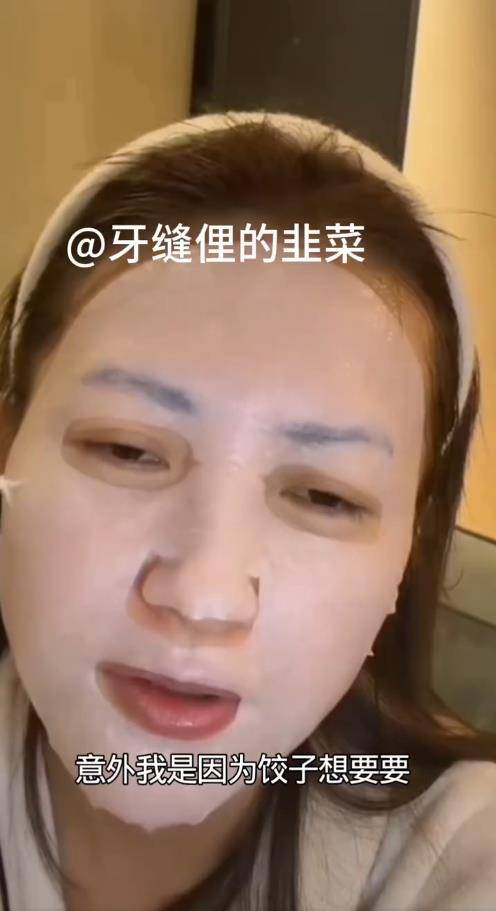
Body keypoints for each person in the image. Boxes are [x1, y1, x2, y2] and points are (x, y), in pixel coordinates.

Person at [0, 110, 494, 911]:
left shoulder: (462, 854)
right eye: (127, 449)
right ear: (7, 447)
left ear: (411, 548)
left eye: (326, 496)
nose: (203, 597)